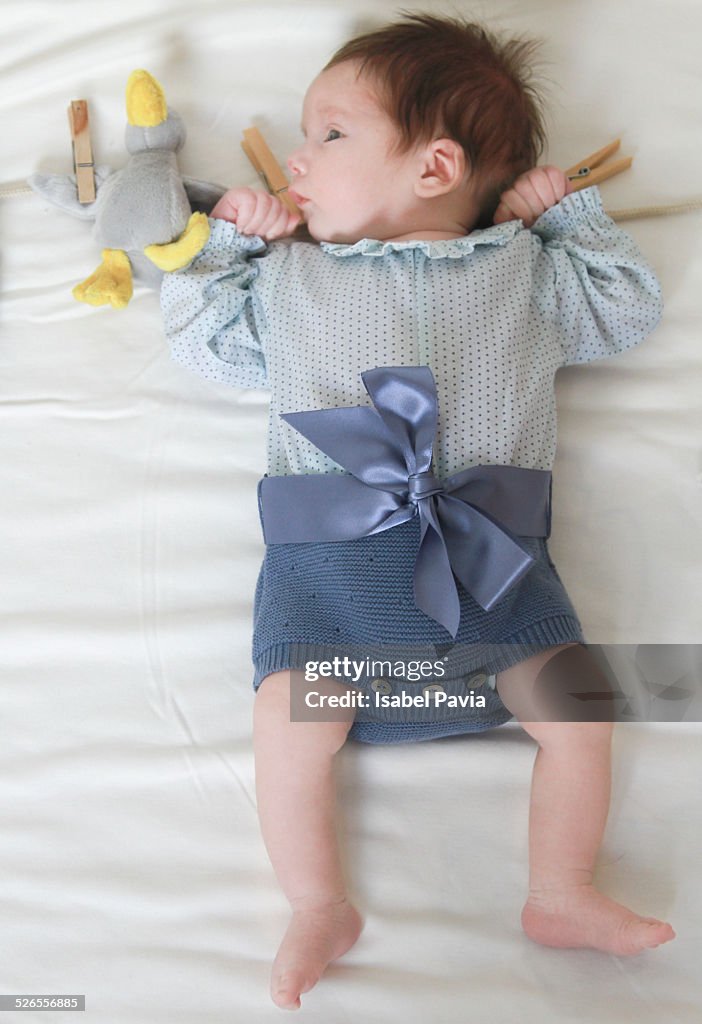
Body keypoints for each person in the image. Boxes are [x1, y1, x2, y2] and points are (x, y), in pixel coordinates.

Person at [160, 13, 675, 1011]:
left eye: (330, 135)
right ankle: (318, 901)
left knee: (578, 709)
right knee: (288, 714)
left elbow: (626, 310)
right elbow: (206, 351)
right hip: (330, 582)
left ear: (437, 165)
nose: (298, 160)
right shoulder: (292, 276)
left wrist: (569, 219)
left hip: (496, 568)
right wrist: (226, 247)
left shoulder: (525, 271)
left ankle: (562, 888)